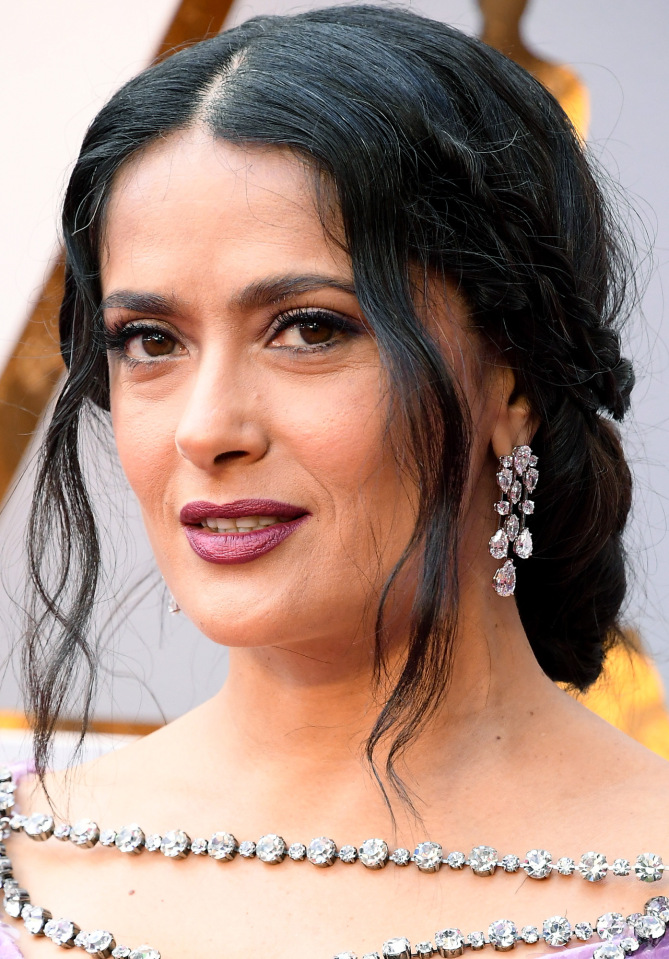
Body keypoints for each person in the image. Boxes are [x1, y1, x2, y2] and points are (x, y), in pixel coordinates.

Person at [3, 5, 669, 959]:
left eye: (309, 328)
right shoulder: (19, 860)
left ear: (513, 373)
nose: (205, 430)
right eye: (151, 342)